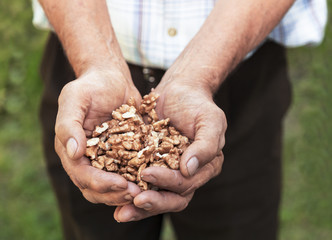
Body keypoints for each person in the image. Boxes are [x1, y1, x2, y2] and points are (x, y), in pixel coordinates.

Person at [32, 0, 327, 239]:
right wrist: (95, 62)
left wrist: (198, 76)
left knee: (238, 225)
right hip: (85, 57)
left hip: (238, 63)